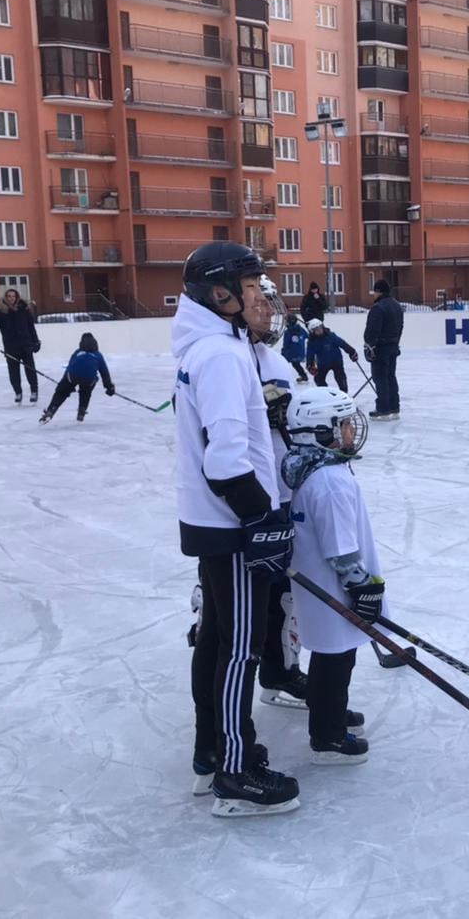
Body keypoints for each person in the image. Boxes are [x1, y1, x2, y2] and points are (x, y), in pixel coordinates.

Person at [172, 240, 300, 817]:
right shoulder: (222, 356)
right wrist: (263, 519)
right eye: (251, 286)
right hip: (233, 527)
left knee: (218, 642)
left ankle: (212, 750)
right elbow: (224, 459)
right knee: (239, 651)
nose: (259, 295)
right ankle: (234, 768)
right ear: (220, 293)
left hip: (212, 523)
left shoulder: (208, 343)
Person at [280, 386, 378, 764]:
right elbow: (340, 547)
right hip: (333, 588)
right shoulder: (331, 481)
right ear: (322, 432)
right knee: (335, 659)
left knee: (331, 656)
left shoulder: (313, 469)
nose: (353, 431)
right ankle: (328, 737)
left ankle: (330, 715)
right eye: (345, 425)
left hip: (318, 586)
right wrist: (363, 587)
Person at [247, 279, 309, 709]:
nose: (271, 313)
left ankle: (281, 670)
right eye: (263, 304)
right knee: (250, 601)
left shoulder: (277, 362)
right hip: (245, 500)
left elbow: (295, 425)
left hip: (284, 492)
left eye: (274, 304)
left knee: (283, 595)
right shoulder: (222, 359)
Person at [38, 333, 116, 424]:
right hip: (88, 379)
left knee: (61, 392)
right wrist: (109, 387)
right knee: (86, 389)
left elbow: (70, 367)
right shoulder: (98, 355)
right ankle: (81, 411)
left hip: (72, 376)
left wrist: (65, 384)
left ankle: (51, 410)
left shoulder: (77, 352)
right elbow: (104, 372)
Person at [0, 288, 41, 404]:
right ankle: (18, 392)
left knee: (30, 369)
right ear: (5, 298)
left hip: (26, 345)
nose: (11, 298)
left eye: (13, 296)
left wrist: (36, 341)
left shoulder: (24, 310)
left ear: (17, 297)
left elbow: (31, 327)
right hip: (11, 347)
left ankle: (34, 391)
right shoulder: (0, 312)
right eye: (9, 296)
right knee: (13, 372)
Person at [363, 278, 404, 421]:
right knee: (390, 377)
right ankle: (394, 407)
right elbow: (400, 328)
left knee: (380, 378)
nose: (373, 295)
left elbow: (372, 330)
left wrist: (369, 346)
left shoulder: (378, 308)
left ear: (379, 292)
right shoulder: (397, 306)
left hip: (380, 349)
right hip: (393, 347)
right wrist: (395, 342)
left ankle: (383, 409)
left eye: (374, 291)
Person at [305, 318, 358, 393]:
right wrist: (310, 365)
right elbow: (310, 354)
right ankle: (327, 394)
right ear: (312, 332)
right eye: (316, 329)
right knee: (318, 379)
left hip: (336, 362)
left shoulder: (331, 336)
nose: (319, 330)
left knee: (340, 377)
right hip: (322, 364)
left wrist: (352, 352)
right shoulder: (312, 342)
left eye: (320, 327)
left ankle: (344, 393)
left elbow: (342, 343)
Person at [281, 313, 310, 385]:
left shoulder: (288, 332)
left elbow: (286, 344)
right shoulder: (301, 329)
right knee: (296, 364)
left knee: (284, 363)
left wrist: (284, 351)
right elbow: (307, 336)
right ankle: (303, 375)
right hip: (301, 352)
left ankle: (283, 377)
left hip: (291, 352)